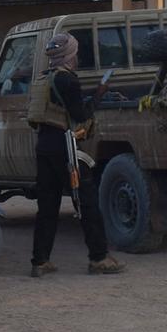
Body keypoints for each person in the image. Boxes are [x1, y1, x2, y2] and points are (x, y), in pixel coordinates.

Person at [25, 33, 124, 277]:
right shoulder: (68, 80)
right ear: (69, 56)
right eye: (75, 53)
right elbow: (80, 115)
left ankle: (40, 261)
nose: (77, 58)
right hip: (64, 146)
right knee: (87, 202)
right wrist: (99, 94)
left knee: (47, 207)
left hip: (44, 145)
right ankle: (99, 258)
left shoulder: (44, 78)